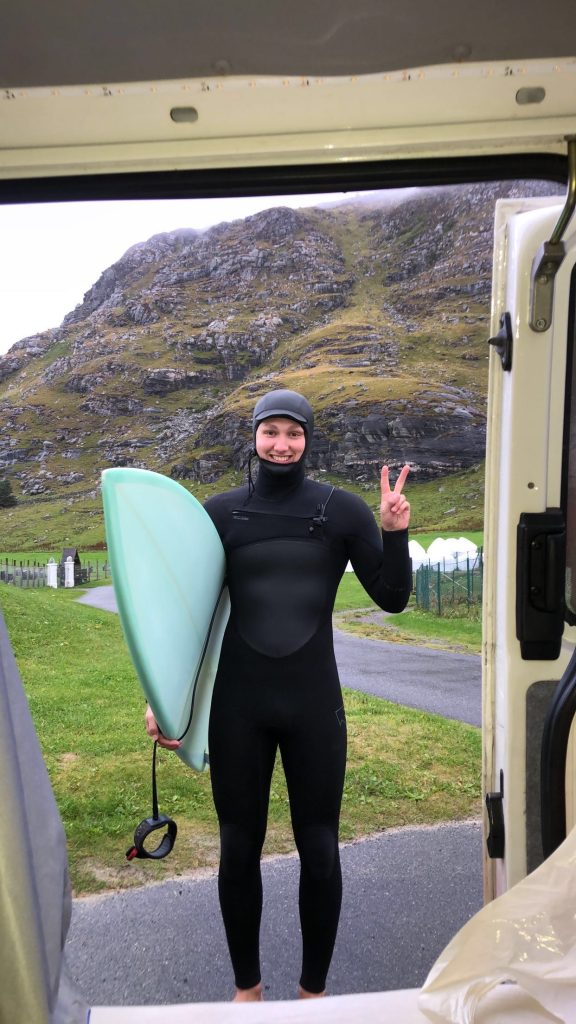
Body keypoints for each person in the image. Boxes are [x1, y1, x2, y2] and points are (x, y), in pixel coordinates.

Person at [146, 389, 411, 1002]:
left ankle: (313, 994)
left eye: (294, 433)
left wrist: (394, 532)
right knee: (238, 848)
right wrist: (162, 698)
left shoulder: (342, 511)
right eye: (271, 432)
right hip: (240, 706)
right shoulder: (220, 514)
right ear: (255, 436)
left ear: (308, 439)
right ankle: (248, 991)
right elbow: (190, 616)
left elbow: (393, 598)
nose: (282, 444)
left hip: (313, 704)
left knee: (319, 849)